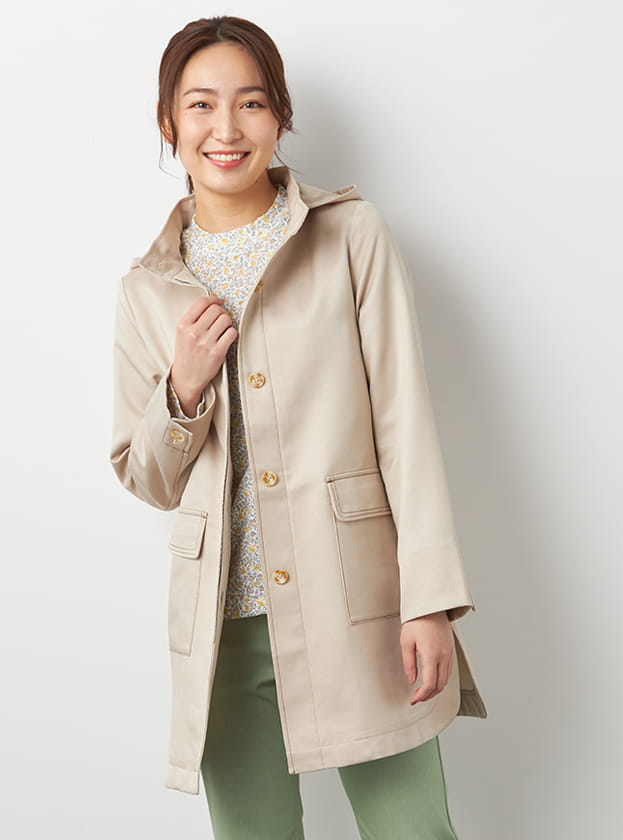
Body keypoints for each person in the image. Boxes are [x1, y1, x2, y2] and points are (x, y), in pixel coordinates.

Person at [110, 15, 487, 840]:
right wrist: (182, 390)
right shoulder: (147, 288)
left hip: (359, 607)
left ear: (279, 115)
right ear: (168, 122)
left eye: (251, 103)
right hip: (224, 628)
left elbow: (406, 425)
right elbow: (146, 478)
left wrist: (428, 601)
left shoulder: (351, 235)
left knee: (413, 830)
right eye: (201, 104)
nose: (226, 128)